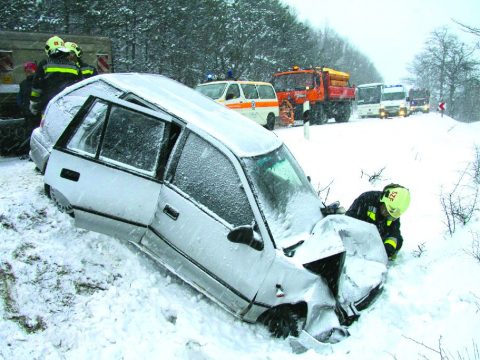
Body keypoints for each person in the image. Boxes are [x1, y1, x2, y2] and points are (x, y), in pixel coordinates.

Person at [345, 184, 411, 260]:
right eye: (386, 210)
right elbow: (348, 221)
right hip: (352, 245)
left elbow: (395, 236)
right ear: (383, 199)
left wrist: (389, 247)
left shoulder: (393, 216)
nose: (387, 214)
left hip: (370, 253)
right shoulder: (366, 199)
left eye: (391, 216)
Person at [29, 36, 80, 118]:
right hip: (69, 108)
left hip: (49, 107)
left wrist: (34, 103)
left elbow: (37, 87)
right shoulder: (74, 66)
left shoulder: (45, 64)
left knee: (48, 128)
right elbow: (80, 86)